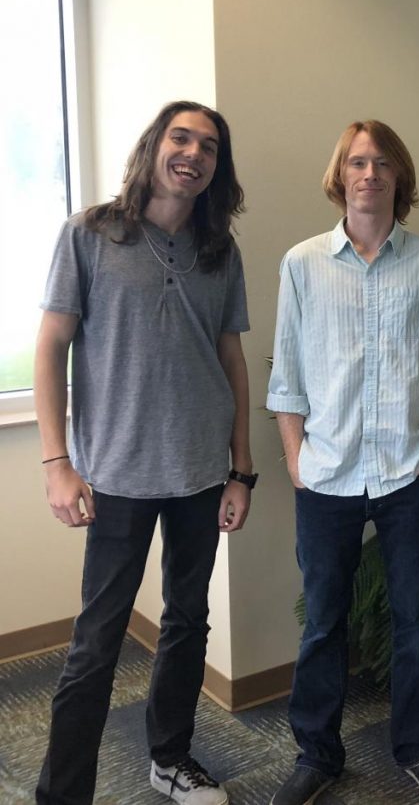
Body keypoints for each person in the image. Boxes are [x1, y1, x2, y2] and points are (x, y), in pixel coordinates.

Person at [34, 100, 254, 805]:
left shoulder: (220, 250)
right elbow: (50, 347)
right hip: (117, 474)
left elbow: (232, 360)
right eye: (181, 137)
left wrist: (241, 470)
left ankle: (171, 759)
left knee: (188, 622)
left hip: (198, 472)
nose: (193, 153)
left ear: (217, 168)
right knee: (97, 643)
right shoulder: (92, 235)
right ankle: (61, 793)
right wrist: (55, 461)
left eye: (209, 147)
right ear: (154, 145)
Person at [266, 120, 419, 805]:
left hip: (407, 472)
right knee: (324, 619)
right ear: (341, 176)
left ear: (398, 177)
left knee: (415, 619)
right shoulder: (302, 264)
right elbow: (287, 376)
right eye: (358, 162)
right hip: (326, 475)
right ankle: (317, 754)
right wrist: (296, 462)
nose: (370, 173)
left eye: (383, 162)